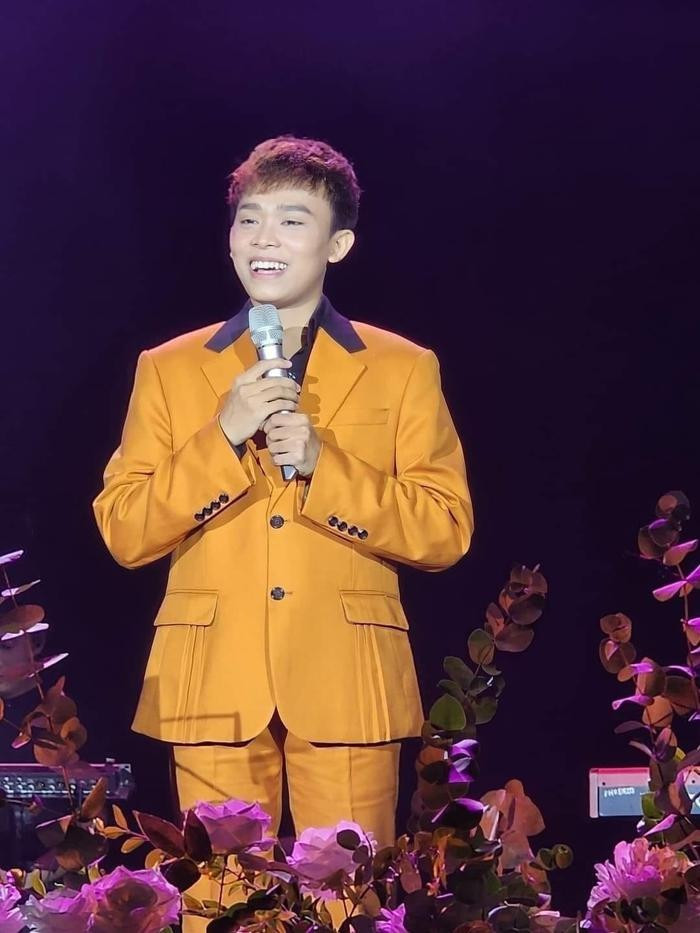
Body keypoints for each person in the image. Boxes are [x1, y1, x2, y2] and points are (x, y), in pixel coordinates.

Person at [93, 136, 473, 921]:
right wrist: (222, 437)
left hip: (347, 677)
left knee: (350, 905)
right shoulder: (170, 367)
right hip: (211, 677)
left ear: (338, 243)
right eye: (250, 218)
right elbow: (124, 527)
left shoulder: (402, 366)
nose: (264, 238)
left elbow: (445, 526)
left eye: (292, 220)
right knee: (222, 905)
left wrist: (327, 468)